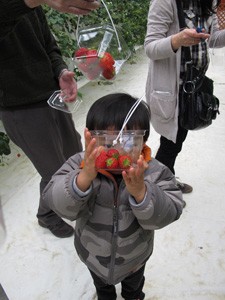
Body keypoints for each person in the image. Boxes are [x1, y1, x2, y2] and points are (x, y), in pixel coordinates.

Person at [43, 93, 185, 300]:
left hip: (135, 258)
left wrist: (141, 192)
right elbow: (55, 202)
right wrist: (83, 179)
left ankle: (133, 295)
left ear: (144, 140)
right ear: (90, 138)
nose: (116, 151)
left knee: (134, 287)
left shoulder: (154, 172)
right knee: (102, 287)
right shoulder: (79, 164)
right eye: (107, 142)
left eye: (128, 141)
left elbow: (170, 211)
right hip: (92, 255)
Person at [0, 0, 100, 238]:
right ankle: (47, 215)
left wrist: (60, 70)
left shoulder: (35, 6)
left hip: (51, 96)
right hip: (20, 106)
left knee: (75, 156)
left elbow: (48, 43)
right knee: (55, 171)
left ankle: (51, 209)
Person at [144, 0, 225, 193]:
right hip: (172, 88)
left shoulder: (206, 2)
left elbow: (213, 39)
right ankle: (160, 184)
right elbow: (150, 47)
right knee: (172, 140)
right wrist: (177, 40)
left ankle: (163, 179)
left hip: (193, 85)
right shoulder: (165, 2)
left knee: (176, 138)